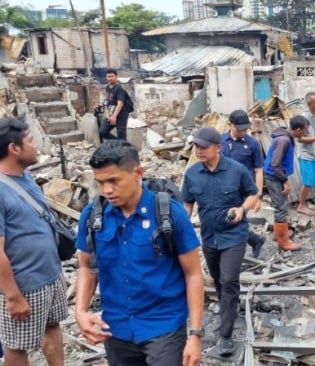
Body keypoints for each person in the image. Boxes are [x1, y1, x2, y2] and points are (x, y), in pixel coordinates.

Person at [75, 140, 204, 366]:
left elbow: (193, 273)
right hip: (116, 329)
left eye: (114, 180)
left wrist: (194, 334)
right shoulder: (93, 216)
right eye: (101, 182)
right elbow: (87, 265)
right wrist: (80, 310)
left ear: (137, 173)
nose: (107, 190)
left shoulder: (168, 215)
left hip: (163, 327)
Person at [181, 127, 258, 357]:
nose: (199, 151)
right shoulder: (193, 174)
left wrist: (242, 209)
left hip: (234, 235)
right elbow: (187, 205)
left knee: (229, 280)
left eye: (204, 147)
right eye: (196, 147)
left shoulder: (236, 171)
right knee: (218, 281)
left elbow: (253, 194)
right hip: (209, 238)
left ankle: (226, 336)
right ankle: (228, 308)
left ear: (218, 147)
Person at [0, 117, 67, 366]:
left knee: (52, 327)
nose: (36, 145)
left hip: (50, 276)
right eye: (30, 140)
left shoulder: (25, 177)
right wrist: (12, 296)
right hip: (23, 285)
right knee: (17, 345)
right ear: (14, 148)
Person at [220, 109, 266, 258]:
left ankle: (232, 254)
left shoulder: (252, 143)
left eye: (245, 129)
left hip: (243, 191)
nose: (242, 132)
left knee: (236, 219)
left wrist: (258, 196)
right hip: (222, 188)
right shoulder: (220, 142)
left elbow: (258, 170)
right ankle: (255, 240)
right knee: (228, 220)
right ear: (229, 124)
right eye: (239, 129)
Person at [263, 116, 308, 251]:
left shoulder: (285, 135)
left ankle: (279, 233)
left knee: (280, 205)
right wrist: (285, 181)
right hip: (275, 176)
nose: (305, 133)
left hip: (275, 175)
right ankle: (283, 242)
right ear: (298, 129)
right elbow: (275, 164)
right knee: (281, 207)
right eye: (305, 130)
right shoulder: (284, 140)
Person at [99, 69, 132, 141]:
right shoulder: (108, 87)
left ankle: (123, 149)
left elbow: (120, 103)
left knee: (121, 135)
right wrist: (103, 104)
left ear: (116, 77)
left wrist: (114, 116)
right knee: (103, 131)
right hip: (111, 112)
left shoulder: (119, 88)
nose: (110, 78)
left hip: (121, 114)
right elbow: (108, 99)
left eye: (111, 76)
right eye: (108, 76)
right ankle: (118, 144)